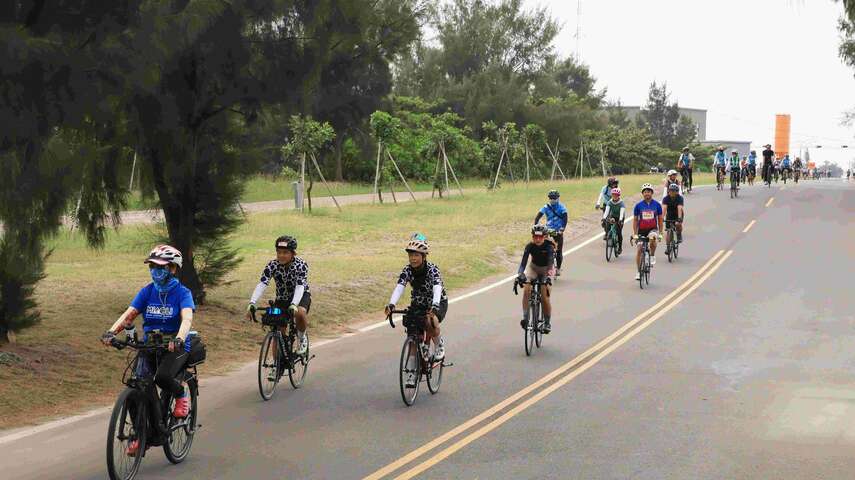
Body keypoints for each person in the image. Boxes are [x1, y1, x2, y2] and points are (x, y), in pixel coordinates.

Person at [101, 245, 195, 454]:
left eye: (160, 267)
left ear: (172, 268)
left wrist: (179, 338)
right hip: (150, 345)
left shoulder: (182, 293)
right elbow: (130, 313)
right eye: (152, 266)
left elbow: (187, 317)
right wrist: (111, 332)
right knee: (137, 388)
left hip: (174, 346)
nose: (155, 271)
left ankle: (180, 395)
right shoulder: (147, 291)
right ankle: (141, 435)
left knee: (162, 377)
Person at [385, 233, 448, 375]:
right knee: (412, 333)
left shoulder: (433, 270)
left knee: (430, 321)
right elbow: (400, 287)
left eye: (416, 255)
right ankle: (412, 373)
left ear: (424, 256)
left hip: (437, 301)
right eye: (411, 255)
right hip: (418, 302)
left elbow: (437, 287)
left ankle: (439, 345)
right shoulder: (407, 270)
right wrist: (391, 304)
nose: (413, 258)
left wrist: (435, 305)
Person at [246, 235, 311, 356]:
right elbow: (262, 283)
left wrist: (294, 304)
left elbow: (300, 286)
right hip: (282, 298)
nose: (281, 255)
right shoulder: (272, 265)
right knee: (277, 331)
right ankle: (276, 367)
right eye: (279, 252)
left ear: (293, 253)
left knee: (300, 313)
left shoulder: (301, 265)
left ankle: (302, 338)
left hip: (300, 295)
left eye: (285, 252)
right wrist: (252, 302)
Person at [516, 225, 555, 333]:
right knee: (526, 290)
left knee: (544, 297)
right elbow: (524, 262)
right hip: (533, 267)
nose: (537, 239)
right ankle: (525, 318)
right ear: (532, 237)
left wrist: (548, 277)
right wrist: (520, 274)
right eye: (535, 237)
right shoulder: (529, 246)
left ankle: (547, 322)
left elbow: (551, 263)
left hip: (546, 269)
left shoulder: (549, 247)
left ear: (545, 237)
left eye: (540, 237)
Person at [632, 184, 663, 280]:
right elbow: (635, 220)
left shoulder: (657, 205)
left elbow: (660, 219)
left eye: (648, 192)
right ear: (642, 194)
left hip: (652, 229)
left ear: (652, 193)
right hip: (642, 230)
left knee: (653, 238)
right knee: (639, 249)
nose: (647, 194)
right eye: (645, 192)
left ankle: (652, 255)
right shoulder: (638, 206)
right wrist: (635, 234)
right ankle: (638, 272)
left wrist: (661, 233)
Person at [535, 189, 568, 276]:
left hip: (557, 231)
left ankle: (558, 268)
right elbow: (537, 217)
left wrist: (562, 229)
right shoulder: (546, 207)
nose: (552, 200)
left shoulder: (562, 207)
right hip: (548, 230)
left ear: (558, 198)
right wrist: (536, 226)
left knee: (559, 251)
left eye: (554, 198)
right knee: (541, 246)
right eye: (551, 198)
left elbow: (565, 219)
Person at [601, 187, 626, 253]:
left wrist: (620, 220)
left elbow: (621, 213)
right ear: (612, 195)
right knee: (607, 224)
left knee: (619, 231)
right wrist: (604, 218)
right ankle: (608, 235)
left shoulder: (621, 203)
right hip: (612, 216)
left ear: (618, 196)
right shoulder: (610, 202)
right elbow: (607, 211)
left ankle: (620, 247)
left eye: (616, 195)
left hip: (620, 217)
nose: (615, 196)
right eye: (613, 195)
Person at [661, 184, 684, 250]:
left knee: (677, 224)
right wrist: (662, 218)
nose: (672, 192)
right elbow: (664, 208)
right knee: (668, 230)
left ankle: (679, 234)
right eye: (670, 191)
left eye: (674, 191)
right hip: (670, 214)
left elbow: (679, 208)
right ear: (668, 191)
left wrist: (679, 218)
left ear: (677, 192)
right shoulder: (665, 198)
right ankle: (668, 246)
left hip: (678, 213)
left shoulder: (680, 198)